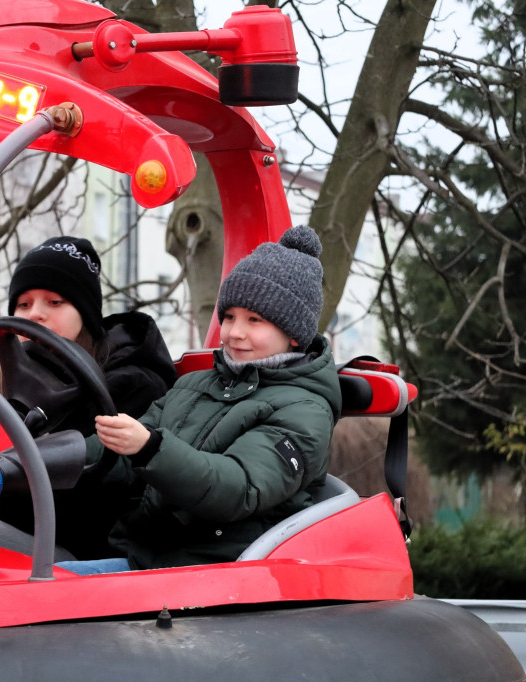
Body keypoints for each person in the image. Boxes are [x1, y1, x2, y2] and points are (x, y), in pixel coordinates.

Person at [56, 225, 342, 575]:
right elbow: (120, 450)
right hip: (150, 558)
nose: (236, 332)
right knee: (30, 579)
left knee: (42, 597)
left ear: (295, 336)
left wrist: (149, 448)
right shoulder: (195, 384)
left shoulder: (304, 412)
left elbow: (238, 487)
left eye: (255, 320)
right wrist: (50, 459)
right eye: (230, 317)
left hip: (214, 578)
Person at [0, 235, 178, 559]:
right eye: (23, 304)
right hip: (23, 532)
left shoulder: (133, 385)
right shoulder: (9, 381)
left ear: (85, 312)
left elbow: (91, 492)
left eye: (54, 302)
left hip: (80, 552)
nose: (35, 314)